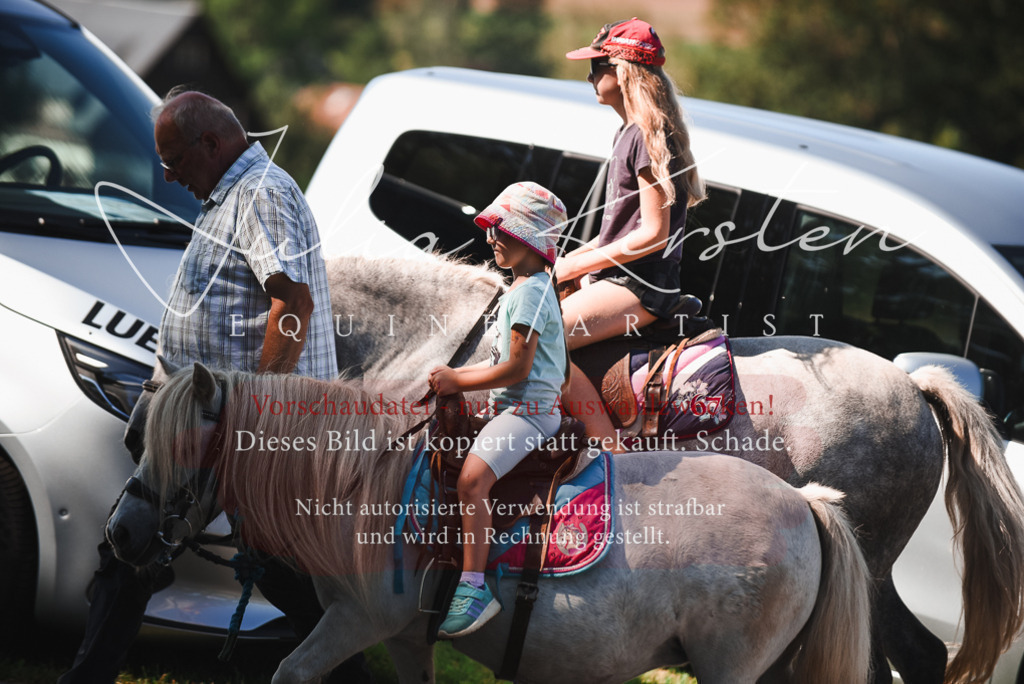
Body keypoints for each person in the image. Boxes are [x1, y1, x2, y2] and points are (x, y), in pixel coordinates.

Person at [59, 90, 371, 683]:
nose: (170, 177)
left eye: (175, 161)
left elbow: (292, 303)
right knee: (132, 547)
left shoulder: (260, 194)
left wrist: (254, 420)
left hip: (252, 432)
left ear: (211, 144)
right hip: (209, 427)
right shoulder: (228, 190)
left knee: (288, 574)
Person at [427, 182, 568, 638]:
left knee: (471, 479)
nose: (491, 238)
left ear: (529, 237)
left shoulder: (529, 293)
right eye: (490, 229)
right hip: (518, 409)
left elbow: (516, 367)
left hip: (527, 414)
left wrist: (454, 379)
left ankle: (473, 587)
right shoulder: (529, 287)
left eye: (501, 229)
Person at [558, 18, 706, 448]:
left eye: (596, 66)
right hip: (626, 278)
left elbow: (653, 236)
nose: (589, 76)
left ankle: (610, 449)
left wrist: (575, 264)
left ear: (622, 72)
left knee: (539, 337)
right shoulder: (630, 133)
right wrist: (563, 264)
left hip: (640, 286)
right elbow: (617, 231)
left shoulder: (643, 137)